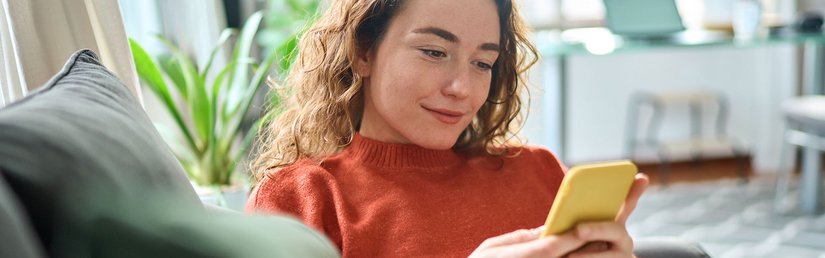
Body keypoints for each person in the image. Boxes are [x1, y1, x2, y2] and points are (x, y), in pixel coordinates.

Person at [246, 0, 648, 257]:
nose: (462, 89)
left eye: (482, 63)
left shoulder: (539, 172)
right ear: (362, 51)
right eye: (434, 52)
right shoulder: (301, 199)